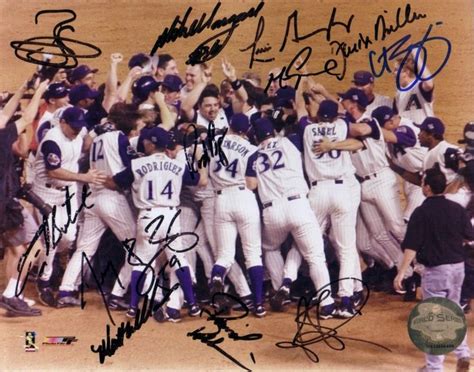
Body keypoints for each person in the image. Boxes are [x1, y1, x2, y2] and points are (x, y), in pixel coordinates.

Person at [110, 126, 208, 320]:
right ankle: (193, 304)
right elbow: (202, 181)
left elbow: (115, 182)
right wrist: (201, 161)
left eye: (146, 141)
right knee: (178, 259)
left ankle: (132, 307)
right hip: (171, 215)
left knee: (142, 261)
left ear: (151, 143)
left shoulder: (137, 164)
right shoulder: (177, 165)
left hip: (148, 216)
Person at [249, 117, 336, 319]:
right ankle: (327, 303)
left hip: (271, 212)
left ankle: (282, 289)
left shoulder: (253, 154)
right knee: (315, 256)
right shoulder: (292, 140)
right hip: (298, 205)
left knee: (270, 247)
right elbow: (303, 123)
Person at [394, 166, 473, 372]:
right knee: (454, 311)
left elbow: (411, 246)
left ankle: (434, 368)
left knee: (434, 320)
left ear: (427, 188)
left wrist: (402, 272)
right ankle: (463, 352)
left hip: (436, 272)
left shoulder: (421, 212)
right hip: (458, 269)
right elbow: (469, 237)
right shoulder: (457, 209)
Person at [32, 107, 106, 306]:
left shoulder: (78, 131)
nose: (76, 130)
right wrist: (83, 177)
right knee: (51, 239)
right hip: (45, 193)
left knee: (69, 237)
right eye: (73, 127)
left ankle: (49, 261)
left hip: (68, 192)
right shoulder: (52, 140)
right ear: (62, 122)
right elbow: (54, 171)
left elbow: (83, 146)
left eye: (79, 127)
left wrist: (94, 131)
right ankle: (44, 281)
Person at [208, 113, 265, 317]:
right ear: (246, 130)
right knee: (252, 254)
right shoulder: (251, 149)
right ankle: (258, 305)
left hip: (221, 200)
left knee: (224, 255)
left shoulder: (213, 142)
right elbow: (251, 184)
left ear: (230, 126)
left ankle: (216, 279)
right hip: (244, 198)